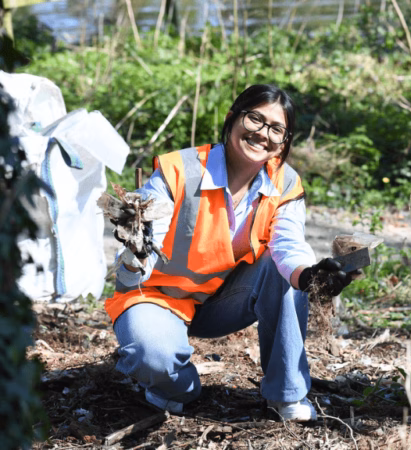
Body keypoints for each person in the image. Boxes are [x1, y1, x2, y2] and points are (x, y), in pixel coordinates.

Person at [106, 84, 350, 422]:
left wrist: (310, 275)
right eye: (255, 119)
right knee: (152, 358)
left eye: (276, 129)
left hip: (222, 301)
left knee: (280, 273)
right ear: (232, 117)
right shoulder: (179, 169)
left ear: (285, 140)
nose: (262, 134)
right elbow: (148, 239)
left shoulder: (285, 182)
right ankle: (177, 386)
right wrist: (136, 252)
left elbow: (288, 246)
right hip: (158, 298)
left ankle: (287, 394)